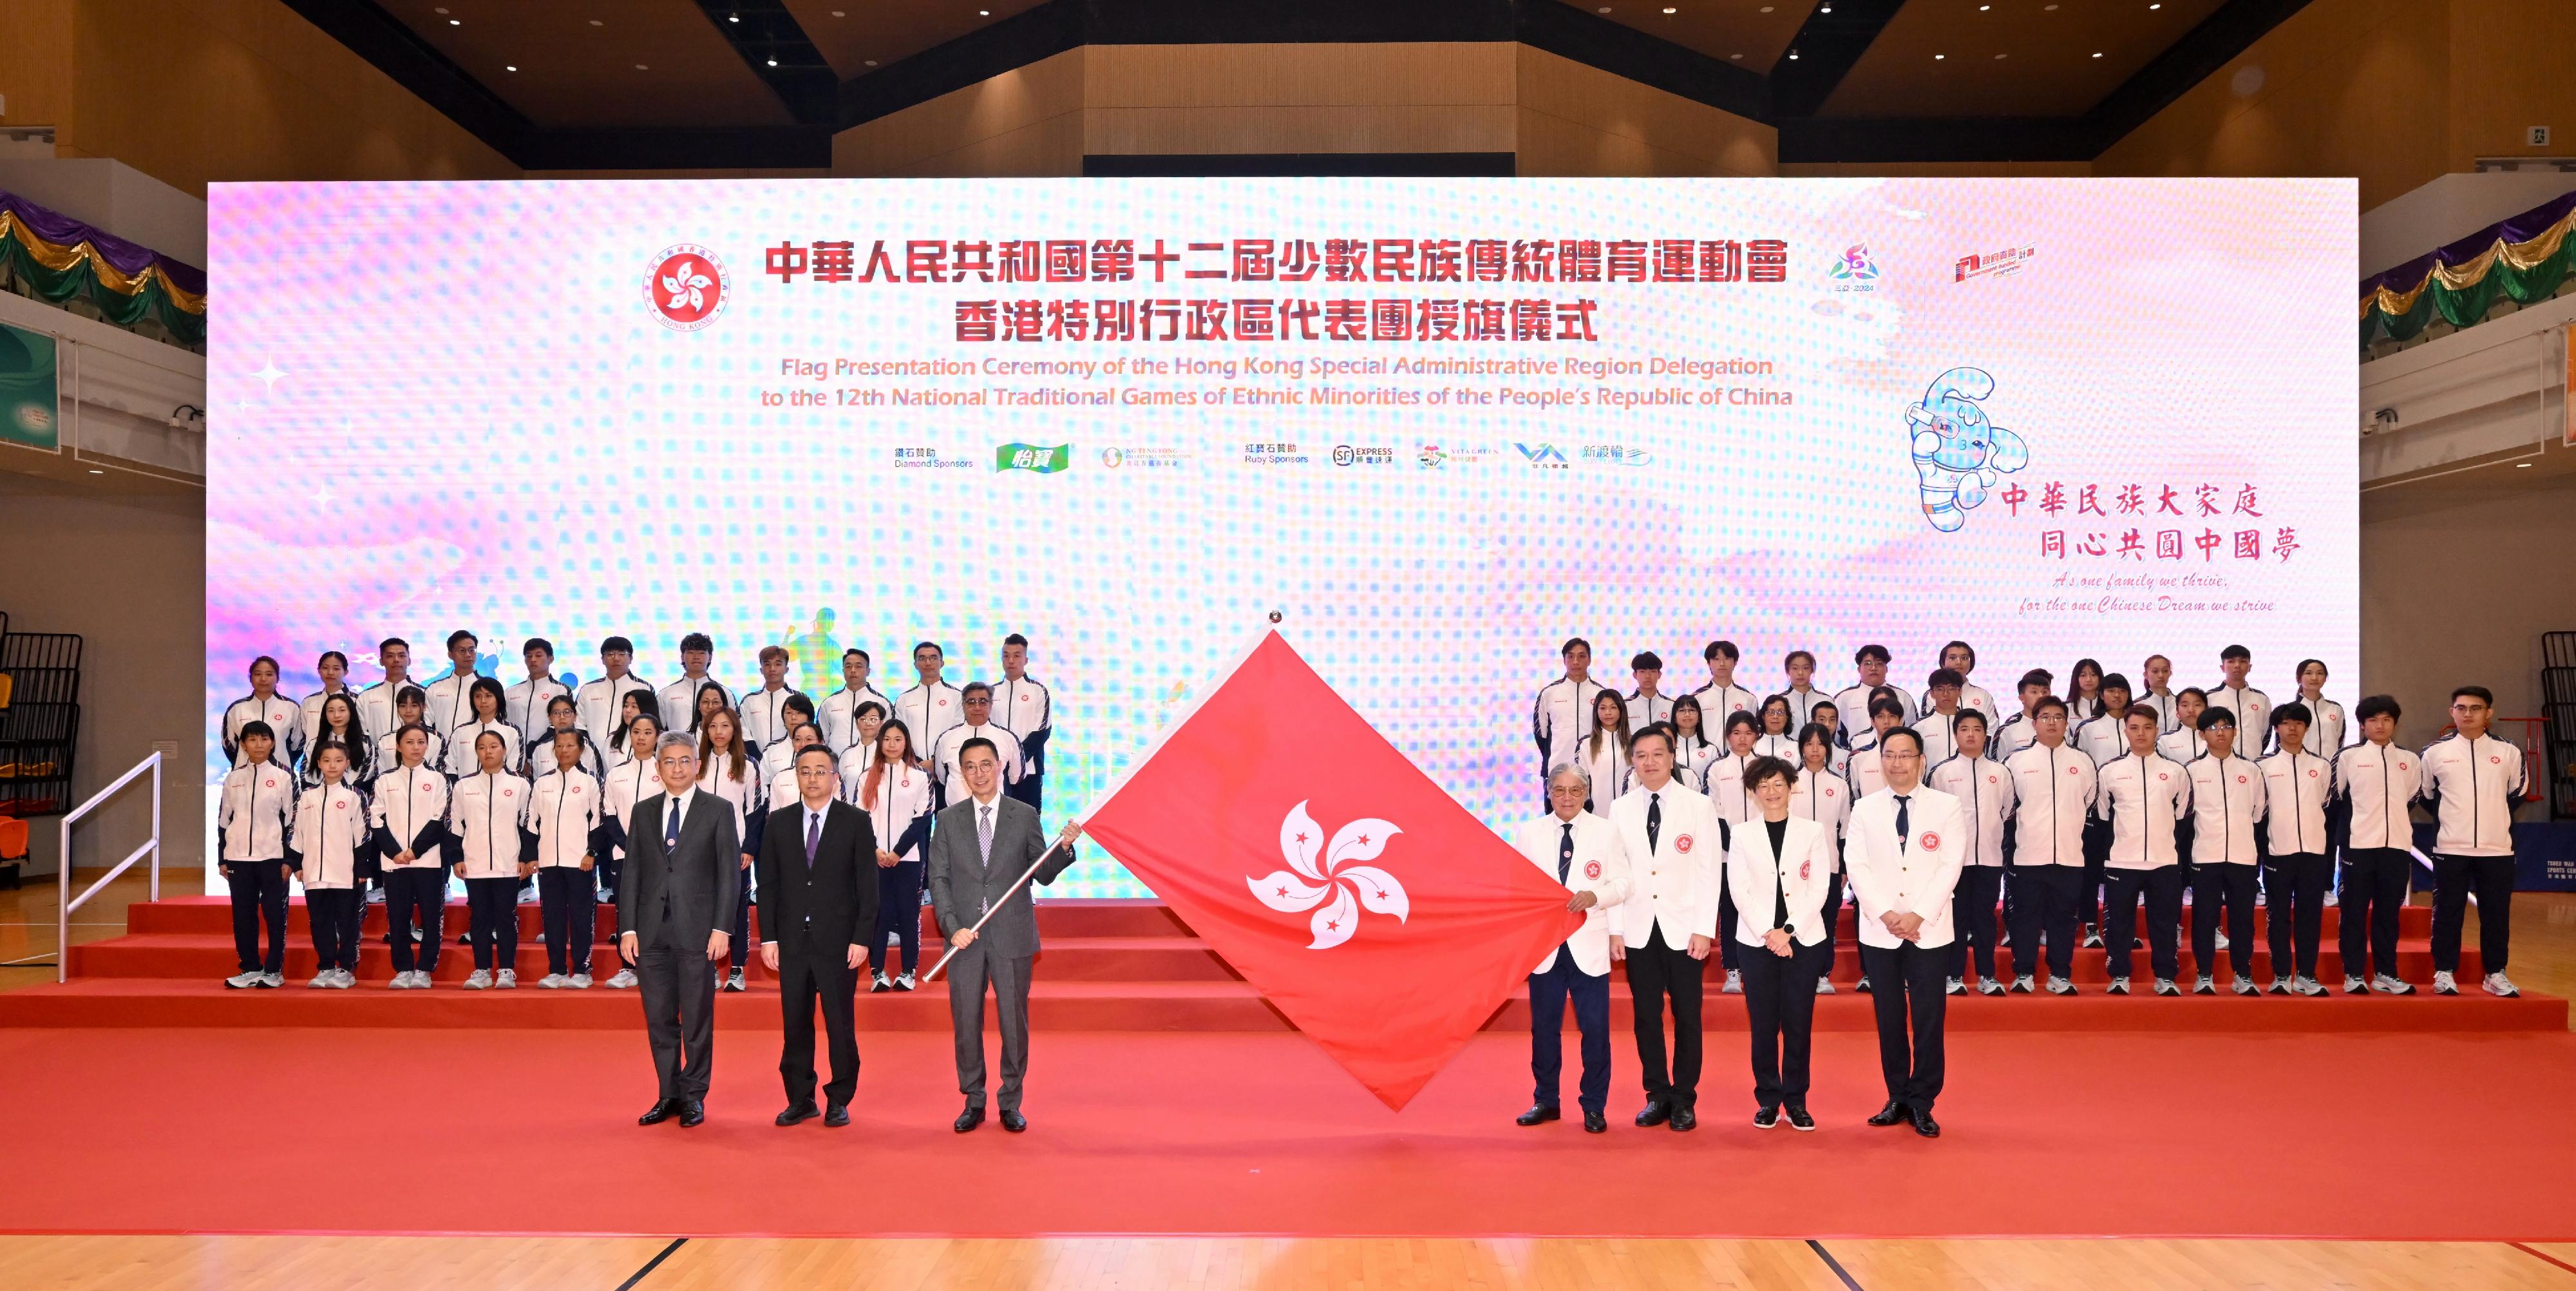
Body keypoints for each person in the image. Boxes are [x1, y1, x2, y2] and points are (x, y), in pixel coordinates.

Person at [926, 737, 1082, 1133]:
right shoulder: (947, 819)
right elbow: (938, 879)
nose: (978, 773)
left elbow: (1041, 874)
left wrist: (1063, 847)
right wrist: (950, 925)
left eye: (985, 764)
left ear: (999, 766)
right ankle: (973, 1099)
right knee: (966, 1021)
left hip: (1011, 933)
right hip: (964, 937)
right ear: (962, 772)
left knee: (1014, 1022)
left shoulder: (1024, 814)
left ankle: (1011, 1100)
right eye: (970, 767)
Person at [1844, 727, 1965, 1136]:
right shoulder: (1864, 809)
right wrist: (1886, 915)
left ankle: (1923, 1101)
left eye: (1905, 755)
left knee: (1930, 1017)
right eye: (1890, 755)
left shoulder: (1947, 807)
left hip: (1928, 929)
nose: (1897, 763)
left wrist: (1918, 915)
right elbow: (1856, 866)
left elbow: (1951, 865)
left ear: (1921, 760)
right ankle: (1896, 1094)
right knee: (1889, 1016)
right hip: (1881, 931)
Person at [619, 732, 743, 1129]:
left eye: (684, 761)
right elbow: (632, 873)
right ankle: (668, 1093)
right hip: (651, 932)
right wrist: (628, 929)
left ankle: (694, 1095)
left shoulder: (719, 810)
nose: (677, 768)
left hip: (699, 932)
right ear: (657, 768)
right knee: (659, 1019)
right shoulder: (643, 811)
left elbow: (729, 876)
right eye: (668, 762)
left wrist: (723, 927)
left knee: (696, 1019)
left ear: (697, 765)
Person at [757, 744, 881, 1129]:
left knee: (839, 1022)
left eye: (820, 771)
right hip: (792, 942)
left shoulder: (856, 821)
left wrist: (862, 939)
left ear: (834, 777)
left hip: (839, 943)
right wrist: (769, 938)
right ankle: (800, 1098)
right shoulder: (778, 822)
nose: (812, 778)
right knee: (795, 1022)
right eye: (805, 771)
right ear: (797, 777)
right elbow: (769, 886)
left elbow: (867, 886)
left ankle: (839, 1098)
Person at [1605, 726, 1723, 1132]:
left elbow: (1710, 872)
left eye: (1658, 754)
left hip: (1684, 927)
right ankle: (1656, 1094)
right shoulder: (1619, 809)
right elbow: (1615, 872)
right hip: (1639, 928)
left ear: (1672, 758)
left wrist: (1704, 928)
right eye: (1641, 756)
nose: (1650, 762)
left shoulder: (1699, 805)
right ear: (1632, 761)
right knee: (1646, 1016)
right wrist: (1615, 929)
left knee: (1688, 1015)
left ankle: (1685, 1098)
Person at [1512, 764, 1631, 1133]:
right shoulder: (1529, 832)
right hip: (1544, 947)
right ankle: (1546, 1100)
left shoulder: (1607, 831)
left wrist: (1595, 896)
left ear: (1586, 793)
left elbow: (1624, 883)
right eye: (1560, 790)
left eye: (1575, 791)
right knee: (1544, 1030)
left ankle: (1594, 1105)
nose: (1567, 798)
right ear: (1549, 792)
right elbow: (1517, 885)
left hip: (1589, 946)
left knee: (1595, 1030)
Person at [1727, 755, 1837, 1131]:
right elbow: (1739, 891)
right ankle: (1768, 1100)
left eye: (1779, 784)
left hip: (1803, 940)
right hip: (1757, 943)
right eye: (1763, 785)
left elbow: (1820, 886)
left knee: (1798, 1023)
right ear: (1754, 791)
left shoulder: (1812, 831)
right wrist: (1768, 934)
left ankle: (1797, 1100)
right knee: (1762, 1024)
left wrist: (1787, 931)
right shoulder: (1742, 834)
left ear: (1792, 787)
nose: (1771, 792)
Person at [2418, 685, 2528, 997]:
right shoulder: (2433, 753)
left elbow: (2516, 795)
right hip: (2451, 847)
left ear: (2488, 713)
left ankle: (2495, 973)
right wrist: (2453, 820)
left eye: (2475, 708)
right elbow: (2426, 796)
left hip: (2497, 849)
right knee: (2448, 912)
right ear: (2452, 712)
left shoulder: (2509, 751)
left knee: (2495, 913)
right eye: (2461, 708)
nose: (2468, 714)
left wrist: (2492, 821)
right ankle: (2444, 972)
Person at [2094, 708, 2189, 995]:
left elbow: (2183, 817)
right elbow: (2102, 818)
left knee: (2164, 922)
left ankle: (2165, 976)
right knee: (2120, 922)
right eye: (2134, 728)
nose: (2141, 734)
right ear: (2125, 731)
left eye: (2147, 728)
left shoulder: (2175, 772)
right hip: (2123, 859)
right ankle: (2120, 974)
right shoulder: (2110, 772)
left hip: (2164, 861)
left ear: (2156, 730)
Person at [2003, 697, 2093, 994]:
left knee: (2064, 919)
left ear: (2067, 723)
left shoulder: (2083, 762)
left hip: (2069, 856)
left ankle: (2060, 974)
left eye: (2058, 717)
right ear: (2034, 723)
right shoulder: (2017, 761)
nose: (2052, 722)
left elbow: (2088, 801)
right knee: (2025, 916)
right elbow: (2006, 806)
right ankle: (2024, 972)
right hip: (2028, 855)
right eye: (2045, 717)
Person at [2331, 695, 2420, 994]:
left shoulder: (2410, 760)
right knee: (2353, 913)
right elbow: (2336, 800)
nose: (2379, 726)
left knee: (2388, 915)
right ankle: (2353, 974)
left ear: (2395, 723)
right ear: (2362, 725)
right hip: (2358, 847)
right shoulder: (2347, 758)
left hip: (2396, 847)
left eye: (2386, 720)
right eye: (2372, 720)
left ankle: (2385, 973)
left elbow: (2411, 798)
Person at [1928, 709, 2011, 995]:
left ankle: (1987, 975)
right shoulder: (1942, 772)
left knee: (1985, 919)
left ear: (1986, 734)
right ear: (1956, 734)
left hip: (1989, 858)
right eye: (1965, 729)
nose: (1971, 734)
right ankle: (1954, 975)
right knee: (1957, 918)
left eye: (1977, 729)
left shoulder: (2000, 772)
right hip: (1954, 861)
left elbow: (2008, 808)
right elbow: (1933, 816)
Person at [2183, 708, 2264, 995]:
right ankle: (2204, 974)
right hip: (2206, 856)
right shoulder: (2191, 770)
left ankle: (2243, 974)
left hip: (2242, 856)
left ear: (2235, 731)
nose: (2221, 732)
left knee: (2242, 920)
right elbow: (2184, 813)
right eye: (2213, 727)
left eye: (2227, 726)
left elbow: (2257, 813)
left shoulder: (2251, 770)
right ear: (2201, 734)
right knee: (2205, 918)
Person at [2258, 703, 2335, 995]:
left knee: (2310, 916)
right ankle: (2280, 974)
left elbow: (2325, 804)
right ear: (2276, 728)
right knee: (2278, 916)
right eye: (2286, 723)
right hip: (2279, 852)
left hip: (2314, 853)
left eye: (2299, 723)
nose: (2293, 729)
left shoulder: (2322, 766)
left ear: (2306, 728)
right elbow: (2258, 810)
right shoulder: (2262, 767)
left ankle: (2306, 974)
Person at [855, 718, 934, 992]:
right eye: (887, 739)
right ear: (880, 743)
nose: (892, 744)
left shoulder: (920, 777)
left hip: (909, 860)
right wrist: (876, 850)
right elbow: (860, 818)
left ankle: (908, 971)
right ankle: (878, 971)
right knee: (878, 914)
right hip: (874, 859)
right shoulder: (866, 777)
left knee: (909, 913)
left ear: (906, 743)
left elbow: (922, 820)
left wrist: (898, 852)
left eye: (898, 739)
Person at [215, 722, 296, 988]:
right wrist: (222, 858)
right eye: (252, 740)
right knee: (243, 914)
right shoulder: (234, 778)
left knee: (274, 913)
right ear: (243, 745)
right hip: (238, 857)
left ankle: (273, 970)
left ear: (273, 743)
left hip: (272, 856)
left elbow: (291, 820)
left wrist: (289, 859)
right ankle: (249, 967)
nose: (258, 745)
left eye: (264, 739)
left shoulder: (284, 776)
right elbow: (224, 820)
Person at [452, 730, 534, 989]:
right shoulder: (463, 786)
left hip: (508, 864)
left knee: (506, 918)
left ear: (504, 750)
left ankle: (507, 969)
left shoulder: (519, 784)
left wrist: (525, 858)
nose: (488, 752)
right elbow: (455, 825)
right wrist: (457, 858)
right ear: (476, 752)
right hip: (474, 864)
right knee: (479, 919)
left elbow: (529, 824)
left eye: (494, 746)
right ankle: (482, 969)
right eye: (482, 747)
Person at [370, 723, 450, 988]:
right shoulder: (385, 780)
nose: (416, 747)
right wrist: (395, 852)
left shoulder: (438, 780)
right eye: (410, 742)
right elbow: (377, 819)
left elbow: (440, 819)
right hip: (394, 862)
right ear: (399, 746)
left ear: (427, 746)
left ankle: (425, 969)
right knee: (398, 916)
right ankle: (403, 968)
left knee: (430, 916)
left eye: (421, 742)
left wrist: (415, 851)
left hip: (428, 860)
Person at [530, 727, 611, 989]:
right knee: (552, 917)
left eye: (570, 746)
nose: (564, 751)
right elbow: (532, 823)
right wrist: (532, 857)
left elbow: (600, 823)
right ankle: (556, 970)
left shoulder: (590, 782)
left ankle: (582, 970)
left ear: (581, 750)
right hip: (549, 863)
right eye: (560, 746)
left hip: (580, 863)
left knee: (581, 916)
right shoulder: (542, 783)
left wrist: (592, 853)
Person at [287, 740, 366, 988]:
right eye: (327, 760)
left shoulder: (355, 796)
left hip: (345, 873)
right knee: (319, 922)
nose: (332, 765)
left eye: (338, 760)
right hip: (314, 873)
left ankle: (345, 969)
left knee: (347, 922)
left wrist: (362, 869)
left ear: (348, 763)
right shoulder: (307, 797)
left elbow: (362, 835)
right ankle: (325, 966)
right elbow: (297, 833)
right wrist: (297, 864)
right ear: (319, 763)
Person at [697, 706, 766, 993]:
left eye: (725, 726)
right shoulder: (695, 763)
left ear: (735, 730)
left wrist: (748, 847)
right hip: (698, 851)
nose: (719, 732)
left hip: (735, 850)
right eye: (713, 726)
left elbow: (757, 809)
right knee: (703, 909)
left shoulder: (748, 765)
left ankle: (737, 969)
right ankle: (708, 968)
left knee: (736, 908)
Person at [598, 711, 667, 988]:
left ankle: (656, 966)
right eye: (636, 732)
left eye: (648, 732)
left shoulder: (666, 771)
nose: (641, 737)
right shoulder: (617, 774)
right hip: (623, 855)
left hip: (662, 857)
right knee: (627, 910)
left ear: (658, 736)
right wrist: (628, 844)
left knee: (659, 910)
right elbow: (609, 815)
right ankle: (628, 967)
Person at [2071, 673, 2137, 947]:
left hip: (2132, 811)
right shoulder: (2088, 728)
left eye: (2122, 690)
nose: (2117, 695)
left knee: (2127, 874)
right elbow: (2078, 767)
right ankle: (2090, 928)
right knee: (2091, 871)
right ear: (2102, 694)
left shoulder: (2138, 724)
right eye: (2111, 690)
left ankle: (2122, 928)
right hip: (2096, 812)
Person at [1788, 723, 1853, 996]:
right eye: (1809, 744)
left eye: (1820, 744)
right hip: (1793, 866)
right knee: (1795, 919)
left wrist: (1844, 869)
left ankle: (1823, 974)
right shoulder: (1788, 783)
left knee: (1826, 922)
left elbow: (1845, 830)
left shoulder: (1838, 786)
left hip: (1829, 866)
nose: (1815, 750)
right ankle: (1796, 971)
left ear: (1828, 748)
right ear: (1801, 748)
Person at [1702, 711, 1761, 993]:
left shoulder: (1765, 766)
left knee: (1761, 907)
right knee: (1730, 911)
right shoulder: (1716, 769)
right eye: (1737, 733)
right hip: (1728, 853)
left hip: (1763, 853)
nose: (1742, 739)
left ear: (1756, 735)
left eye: (1748, 733)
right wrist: (1731, 843)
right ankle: (1733, 969)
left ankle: (1759, 965)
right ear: (1728, 736)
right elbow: (1714, 809)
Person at [1532, 638, 1605, 803]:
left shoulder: (1601, 694)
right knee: (1555, 822)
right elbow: (1540, 735)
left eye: (1582, 656)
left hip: (1592, 772)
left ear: (1590, 659)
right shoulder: (1549, 693)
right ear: (1564, 660)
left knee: (1592, 822)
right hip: (1556, 770)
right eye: (1570, 657)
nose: (1576, 662)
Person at [896, 642, 967, 797]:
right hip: (913, 770)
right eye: (922, 658)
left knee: (947, 819)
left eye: (933, 658)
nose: (928, 662)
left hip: (948, 772)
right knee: (916, 820)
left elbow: (959, 734)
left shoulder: (957, 697)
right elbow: (900, 736)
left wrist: (935, 763)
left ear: (942, 663)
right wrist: (919, 764)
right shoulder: (904, 699)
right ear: (915, 664)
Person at [934, 683, 1027, 796]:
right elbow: (941, 777)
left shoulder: (1008, 738)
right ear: (963, 705)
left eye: (983, 702)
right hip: (956, 812)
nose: (977, 707)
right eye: (971, 702)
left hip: (997, 812)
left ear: (991, 705)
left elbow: (1016, 777)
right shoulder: (946, 739)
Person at [997, 634, 1055, 811]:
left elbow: (1042, 731)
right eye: (1006, 656)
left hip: (1029, 771)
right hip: (996, 772)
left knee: (1028, 827)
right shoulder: (991, 693)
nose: (1011, 660)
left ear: (1026, 659)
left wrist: (1016, 760)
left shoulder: (1038, 691)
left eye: (1016, 655)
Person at [575, 636, 656, 754]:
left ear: (631, 658)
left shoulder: (643, 688)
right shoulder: (588, 689)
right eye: (610, 654)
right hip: (591, 755)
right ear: (602, 659)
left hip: (628, 755)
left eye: (622, 654)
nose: (616, 658)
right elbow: (579, 726)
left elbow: (651, 725)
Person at [222, 656, 303, 769]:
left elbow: (298, 745)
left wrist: (282, 765)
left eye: (269, 674)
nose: (263, 679)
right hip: (244, 777)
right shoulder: (236, 708)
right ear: (251, 678)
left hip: (281, 776)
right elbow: (229, 746)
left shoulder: (291, 708)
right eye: (258, 674)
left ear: (278, 678)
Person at [1832, 645, 1913, 746]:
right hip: (1855, 758)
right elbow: (1834, 738)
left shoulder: (1903, 697)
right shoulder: (1844, 698)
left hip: (1896, 756)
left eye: (1879, 664)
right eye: (1868, 664)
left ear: (1886, 669)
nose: (1873, 668)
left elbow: (1912, 733)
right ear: (1859, 669)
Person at [444, 676, 522, 779]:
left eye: (488, 696)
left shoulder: (512, 731)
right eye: (478, 696)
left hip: (501, 792)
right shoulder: (460, 732)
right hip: (465, 792)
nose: (483, 701)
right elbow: (450, 768)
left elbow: (514, 770)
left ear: (498, 698)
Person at [819, 647, 893, 755]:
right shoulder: (829, 703)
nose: (853, 670)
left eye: (859, 666)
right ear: (843, 671)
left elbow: (888, 737)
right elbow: (822, 738)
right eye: (848, 666)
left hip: (872, 764)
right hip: (836, 765)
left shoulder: (882, 703)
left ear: (868, 671)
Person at [505, 637, 572, 755]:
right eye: (529, 656)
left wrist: (534, 749)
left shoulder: (561, 690)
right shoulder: (510, 692)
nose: (533, 660)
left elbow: (564, 725)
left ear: (551, 659)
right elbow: (504, 725)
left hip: (549, 754)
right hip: (514, 756)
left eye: (538, 655)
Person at [659, 632, 731, 732]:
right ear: (682, 657)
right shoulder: (666, 694)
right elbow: (658, 731)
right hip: (678, 747)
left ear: (710, 657)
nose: (696, 656)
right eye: (691, 652)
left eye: (701, 653)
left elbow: (733, 728)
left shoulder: (725, 693)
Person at [299, 692, 372, 791]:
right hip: (319, 801)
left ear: (351, 712)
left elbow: (367, 777)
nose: (337, 715)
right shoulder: (314, 744)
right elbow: (306, 775)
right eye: (331, 711)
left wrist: (346, 793)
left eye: (342, 710)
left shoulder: (365, 743)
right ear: (325, 715)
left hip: (353, 799)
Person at [526, 693, 606, 781]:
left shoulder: (589, 747)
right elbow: (536, 783)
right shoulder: (540, 749)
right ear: (550, 718)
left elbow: (598, 782)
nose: (562, 717)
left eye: (567, 712)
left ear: (575, 716)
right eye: (556, 713)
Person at [353, 638, 417, 747]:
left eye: (402, 656)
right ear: (381, 661)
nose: (396, 660)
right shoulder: (366, 697)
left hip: (414, 759)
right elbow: (360, 734)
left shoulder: (423, 693)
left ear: (409, 661)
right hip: (377, 760)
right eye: (390, 656)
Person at [739, 645, 804, 752]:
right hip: (756, 762)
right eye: (767, 664)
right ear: (761, 670)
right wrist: (757, 758)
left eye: (778, 664)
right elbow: (743, 732)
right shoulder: (749, 701)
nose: (772, 669)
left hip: (791, 761)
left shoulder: (799, 698)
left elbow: (806, 730)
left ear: (786, 669)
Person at [422, 630, 486, 737]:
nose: (468, 655)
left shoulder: (487, 688)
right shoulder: (435, 688)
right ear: (450, 655)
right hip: (442, 751)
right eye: (462, 650)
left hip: (477, 751)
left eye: (472, 650)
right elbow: (426, 723)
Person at [1577, 689, 1632, 812]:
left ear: (1621, 710)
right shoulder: (1586, 744)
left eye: (1613, 707)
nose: (1608, 712)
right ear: (1596, 712)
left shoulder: (1634, 742)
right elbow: (1580, 781)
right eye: (1603, 708)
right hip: (1598, 812)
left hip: (1629, 810)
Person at [2206, 644, 2270, 738]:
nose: (2237, 665)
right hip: (2220, 752)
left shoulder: (2262, 698)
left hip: (2254, 753)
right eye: (2231, 661)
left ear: (2250, 667)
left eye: (2243, 661)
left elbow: (2266, 733)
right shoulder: (2209, 697)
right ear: (2222, 667)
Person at [2286, 660, 2347, 758]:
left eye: (2320, 673)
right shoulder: (2289, 710)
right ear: (2299, 678)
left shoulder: (2336, 709)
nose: (2314, 678)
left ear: (2325, 678)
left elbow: (2340, 742)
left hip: (2330, 768)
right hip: (2301, 768)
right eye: (2308, 673)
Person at [296, 650, 355, 751]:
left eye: (336, 669)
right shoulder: (309, 702)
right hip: (315, 760)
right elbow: (305, 734)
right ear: (319, 671)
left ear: (346, 672)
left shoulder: (357, 701)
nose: (330, 673)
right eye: (325, 668)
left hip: (349, 761)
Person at [1991, 669, 2054, 759]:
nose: (2041, 696)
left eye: (2044, 692)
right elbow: (1998, 767)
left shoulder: (2061, 726)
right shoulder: (2007, 731)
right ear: (2022, 697)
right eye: (2034, 692)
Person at [1695, 640, 1757, 731]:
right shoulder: (1697, 698)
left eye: (1727, 658)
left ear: (1735, 662)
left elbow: (1754, 731)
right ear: (1709, 663)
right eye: (1717, 659)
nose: (1722, 664)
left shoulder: (1749, 698)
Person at [766, 722, 829, 807]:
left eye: (809, 739)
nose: (803, 744)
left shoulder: (831, 776)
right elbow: (773, 815)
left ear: (821, 742)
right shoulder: (780, 778)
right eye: (798, 740)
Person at [1915, 669, 1969, 767]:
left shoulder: (1971, 724)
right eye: (1940, 689)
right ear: (1932, 693)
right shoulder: (1918, 727)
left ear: (1960, 691)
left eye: (1951, 688)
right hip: (1930, 781)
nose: (1946, 694)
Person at [1938, 640, 1996, 719]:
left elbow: (1992, 729)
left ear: (1971, 663)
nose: (1959, 662)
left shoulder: (1984, 695)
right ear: (1943, 663)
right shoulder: (1932, 695)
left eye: (1964, 658)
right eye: (1952, 658)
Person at [1668, 695, 1714, 788]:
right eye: (1682, 710)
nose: (1687, 714)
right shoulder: (1667, 748)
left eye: (1692, 710)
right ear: (1674, 718)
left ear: (1699, 717)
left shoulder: (1711, 750)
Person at [2157, 687, 2211, 763]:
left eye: (2197, 705)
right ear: (2177, 710)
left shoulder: (2216, 736)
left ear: (2206, 708)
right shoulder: (2164, 741)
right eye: (2185, 705)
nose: (2191, 710)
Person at [1625, 651, 1675, 731]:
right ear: (1635, 675)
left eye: (1653, 671)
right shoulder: (1624, 706)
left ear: (1659, 674)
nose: (1648, 676)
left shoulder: (1672, 705)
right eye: (1642, 671)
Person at [2135, 654, 2182, 735]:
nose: (2161, 675)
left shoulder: (2181, 703)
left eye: (2165, 671)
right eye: (2155, 671)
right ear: (2146, 675)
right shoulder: (2137, 705)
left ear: (2170, 673)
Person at [1780, 650, 1828, 727]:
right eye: (1795, 668)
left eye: (1806, 668)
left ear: (1812, 670)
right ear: (1788, 671)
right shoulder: (1780, 701)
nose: (1800, 673)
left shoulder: (1825, 700)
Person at [1752, 694, 1798, 761]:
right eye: (1771, 712)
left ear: (1787, 717)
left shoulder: (1796, 747)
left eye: (1780, 712)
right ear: (1763, 717)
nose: (1775, 716)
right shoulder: (1753, 745)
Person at [2065, 658, 2105, 724]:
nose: (2088, 679)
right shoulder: (2066, 707)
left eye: (2093, 675)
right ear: (2076, 678)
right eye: (2083, 675)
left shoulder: (2109, 706)